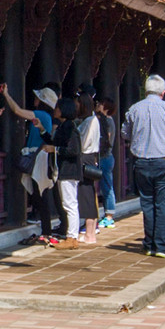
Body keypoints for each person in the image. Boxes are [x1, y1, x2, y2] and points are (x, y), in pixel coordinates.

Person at [121, 75, 165, 258]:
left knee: (148, 204)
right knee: (164, 204)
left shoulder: (134, 109)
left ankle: (150, 244)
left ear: (146, 90)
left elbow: (125, 133)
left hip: (142, 163)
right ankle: (162, 246)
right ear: (163, 92)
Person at [1, 84, 62, 245]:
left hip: (39, 159)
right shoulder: (47, 116)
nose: (34, 100)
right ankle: (46, 230)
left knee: (40, 195)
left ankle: (46, 231)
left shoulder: (41, 114)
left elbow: (18, 111)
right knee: (40, 194)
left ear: (41, 101)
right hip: (41, 158)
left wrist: (6, 95)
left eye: (37, 98)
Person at [34, 97, 86, 250]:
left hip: (69, 170)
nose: (55, 110)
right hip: (63, 170)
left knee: (70, 204)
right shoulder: (64, 126)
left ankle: (72, 237)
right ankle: (71, 235)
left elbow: (73, 150)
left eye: (57, 107)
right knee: (67, 203)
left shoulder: (70, 127)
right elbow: (53, 142)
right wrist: (42, 129)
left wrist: (54, 150)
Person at [73, 89, 100, 244]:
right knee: (88, 194)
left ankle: (90, 234)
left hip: (86, 157)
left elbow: (81, 142)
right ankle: (90, 232)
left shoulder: (90, 122)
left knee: (87, 194)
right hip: (89, 157)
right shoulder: (90, 120)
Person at [95, 97, 118, 229]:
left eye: (100, 103)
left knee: (107, 186)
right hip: (105, 157)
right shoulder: (105, 120)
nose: (98, 105)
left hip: (105, 156)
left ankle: (109, 215)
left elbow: (106, 140)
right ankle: (107, 214)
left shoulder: (108, 121)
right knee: (106, 185)